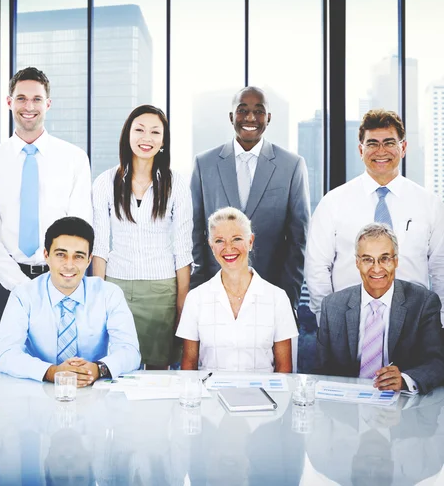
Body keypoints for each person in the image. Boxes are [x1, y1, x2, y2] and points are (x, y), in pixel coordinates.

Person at [0, 67, 92, 349]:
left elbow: (79, 225)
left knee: (60, 367)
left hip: (61, 281)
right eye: (21, 98)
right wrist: (21, 285)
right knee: (8, 368)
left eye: (37, 99)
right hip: (6, 284)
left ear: (48, 104)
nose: (29, 106)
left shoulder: (74, 158)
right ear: (9, 102)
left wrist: (57, 278)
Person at [305, 109, 444, 325]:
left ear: (403, 147)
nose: (381, 151)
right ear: (361, 149)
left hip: (415, 323)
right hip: (349, 323)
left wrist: (438, 323)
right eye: (372, 144)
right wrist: (330, 321)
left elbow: (440, 267)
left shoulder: (429, 204)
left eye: (389, 142)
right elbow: (317, 267)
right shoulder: (333, 203)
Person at [190, 86, 310, 309]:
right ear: (231, 117)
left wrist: (288, 300)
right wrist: (199, 291)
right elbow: (195, 232)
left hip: (272, 292)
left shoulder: (291, 166)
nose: (251, 118)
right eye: (242, 110)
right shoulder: (204, 164)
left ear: (269, 118)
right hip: (215, 293)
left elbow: (298, 239)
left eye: (259, 111)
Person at [92, 104, 193, 369]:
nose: (146, 138)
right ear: (128, 135)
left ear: (163, 141)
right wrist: (97, 296)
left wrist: (182, 305)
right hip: (116, 286)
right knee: (115, 367)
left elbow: (183, 251)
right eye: (139, 130)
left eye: (155, 132)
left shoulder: (176, 184)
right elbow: (100, 247)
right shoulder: (105, 182)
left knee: (159, 372)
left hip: (161, 290)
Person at [0, 216, 140, 385]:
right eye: (61, 255)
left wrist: (98, 369)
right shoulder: (23, 296)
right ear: (46, 256)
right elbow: (5, 355)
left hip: (94, 391)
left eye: (78, 256)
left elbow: (130, 351)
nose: (69, 265)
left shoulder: (109, 294)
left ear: (89, 260)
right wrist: (52, 372)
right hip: (38, 391)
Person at [316, 223, 444, 394]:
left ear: (396, 261)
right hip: (347, 408)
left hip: (402, 406)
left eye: (385, 258)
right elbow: (321, 371)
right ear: (357, 263)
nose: (376, 268)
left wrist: (405, 379)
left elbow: (437, 362)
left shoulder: (423, 303)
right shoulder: (332, 306)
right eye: (368, 259)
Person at [176, 207, 298, 372]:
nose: (228, 247)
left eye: (236, 239)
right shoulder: (196, 299)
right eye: (219, 241)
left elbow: (284, 370)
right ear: (212, 246)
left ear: (250, 242)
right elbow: (189, 366)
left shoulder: (278, 299)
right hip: (210, 395)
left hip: (261, 396)